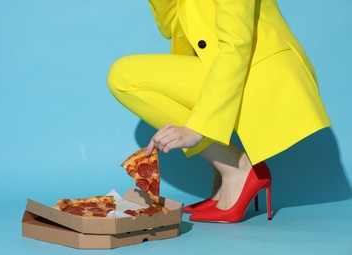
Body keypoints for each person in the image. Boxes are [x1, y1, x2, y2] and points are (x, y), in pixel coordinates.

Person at [107, 0, 331, 223]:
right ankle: (230, 171)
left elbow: (237, 44)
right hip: (220, 64)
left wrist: (198, 128)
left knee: (124, 77)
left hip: (257, 72)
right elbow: (171, 26)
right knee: (124, 76)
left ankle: (238, 168)